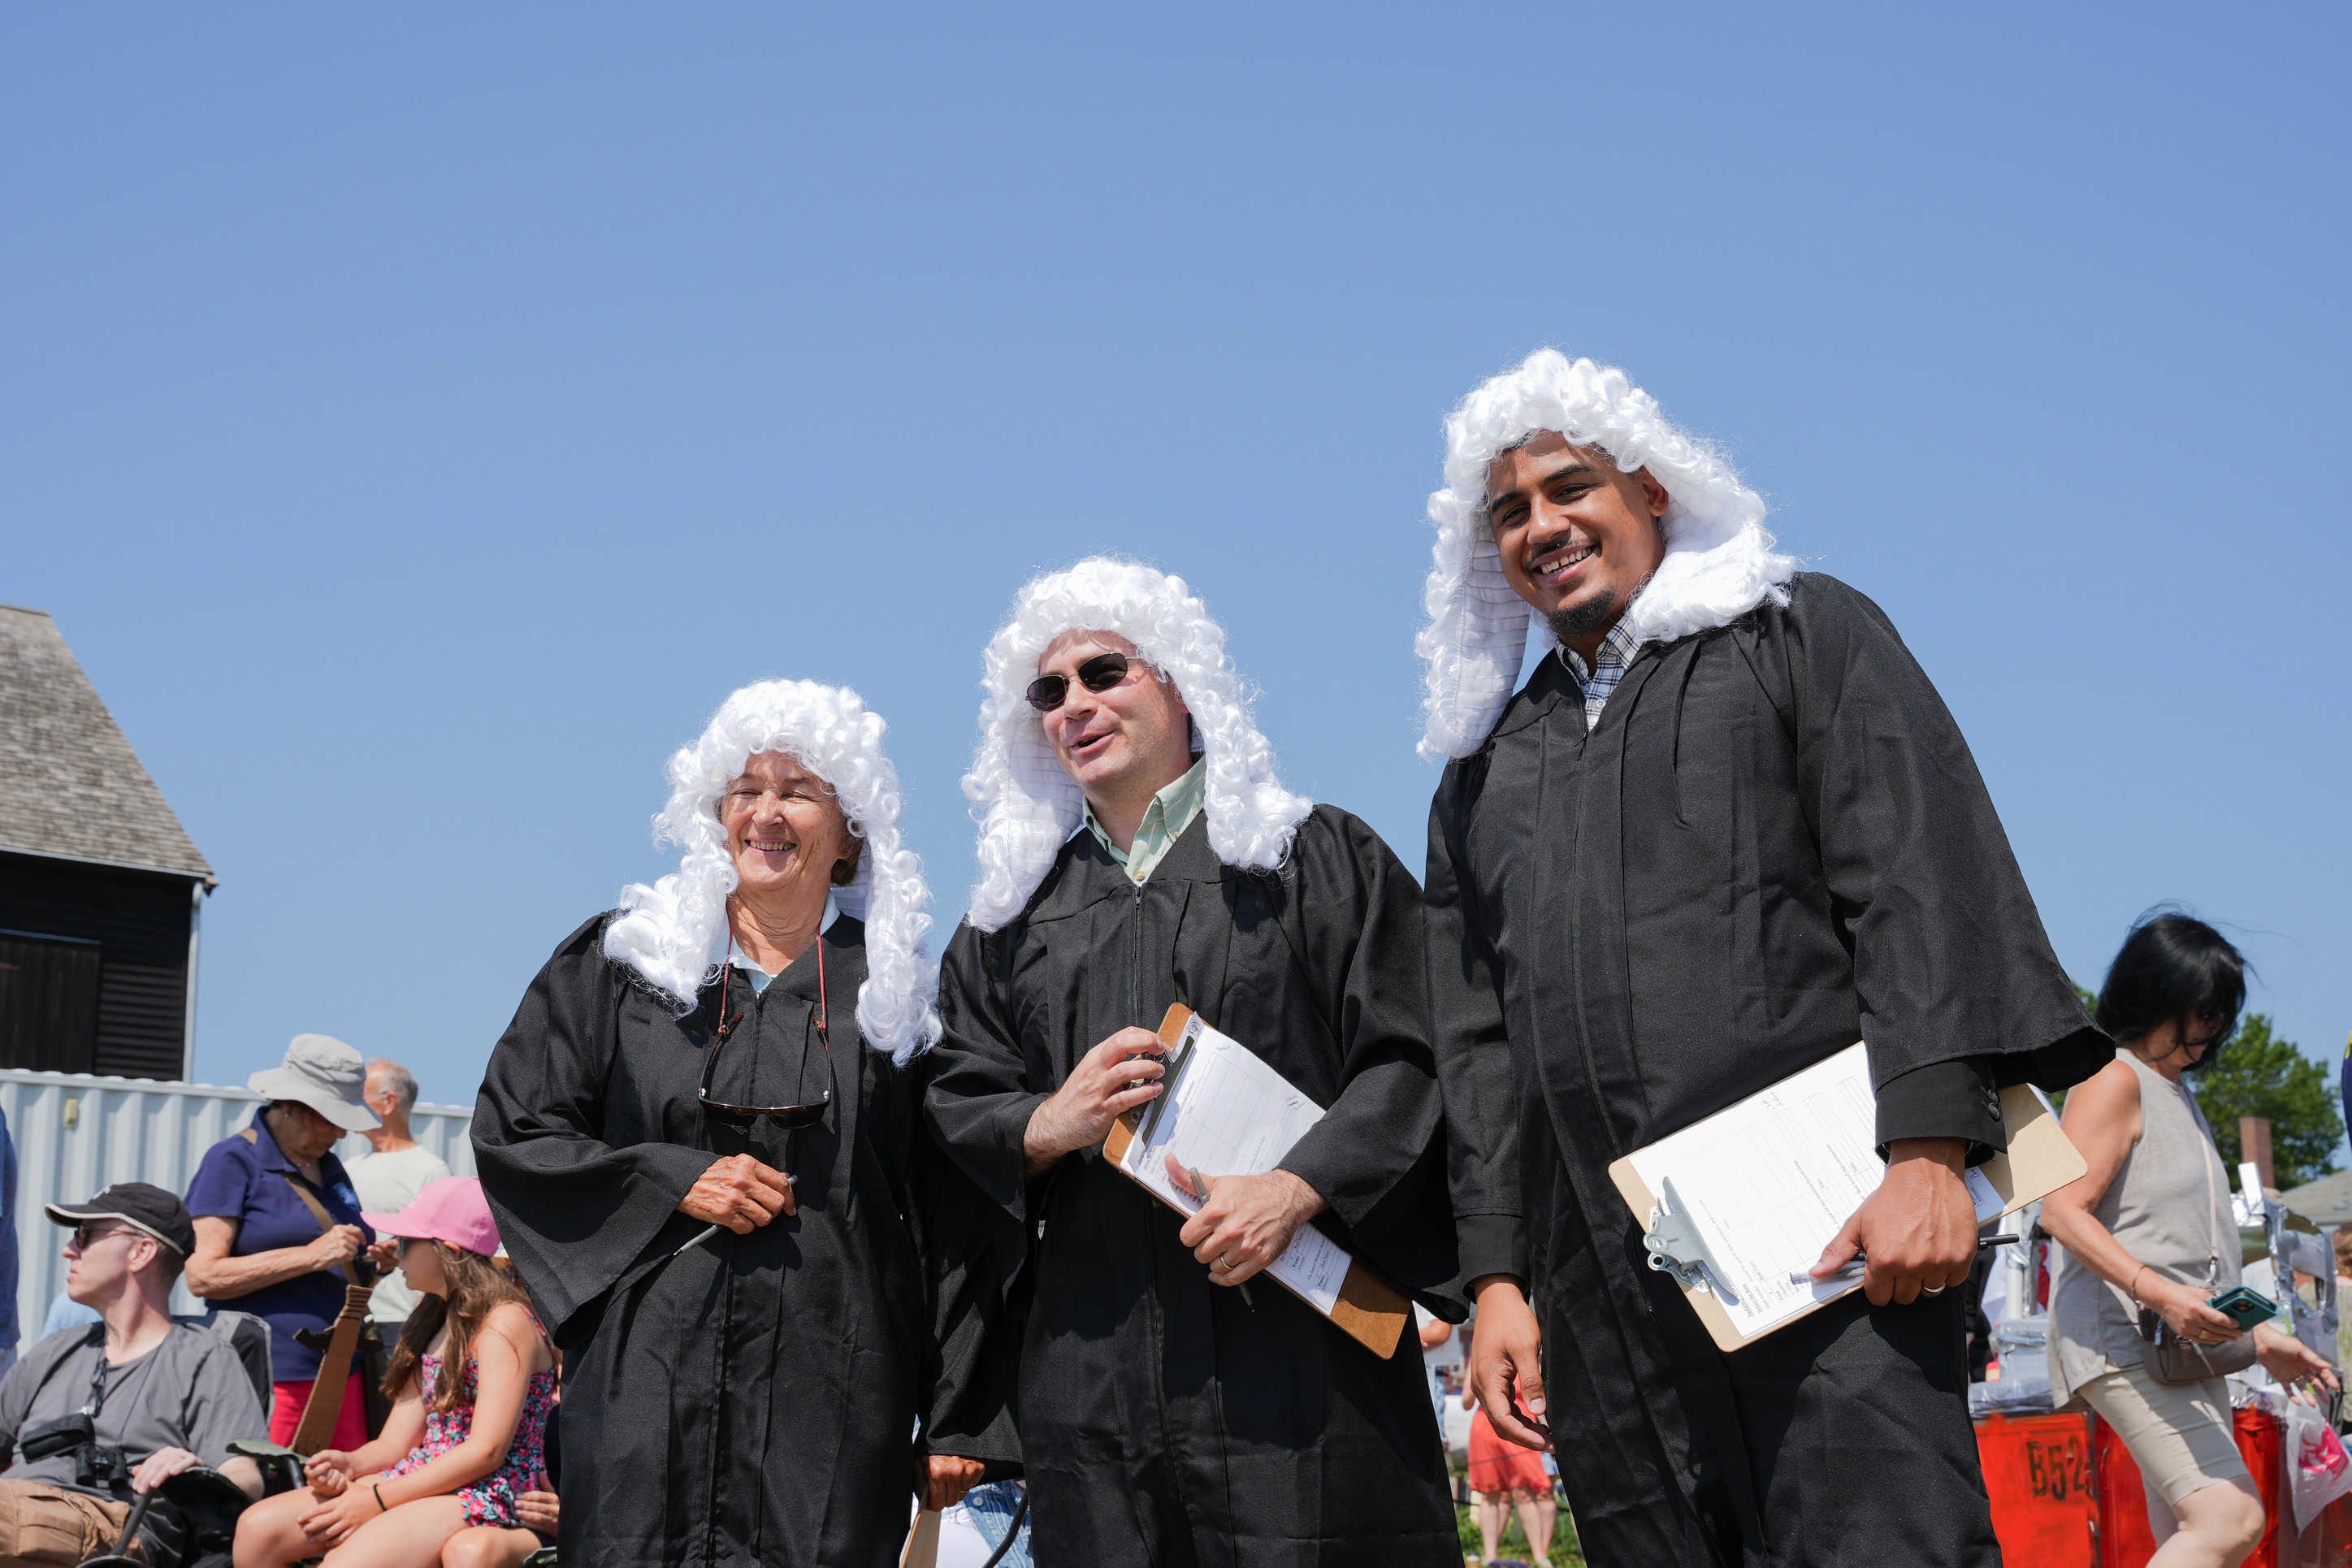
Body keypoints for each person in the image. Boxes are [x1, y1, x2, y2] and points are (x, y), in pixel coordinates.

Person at [1417, 351, 2114, 1567]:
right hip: (1599, 1290)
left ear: (1650, 490)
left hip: (1834, 1250)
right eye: (1510, 512)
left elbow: (1910, 882)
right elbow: (1474, 1048)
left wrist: (1927, 1149)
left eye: (1567, 487)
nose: (1542, 526)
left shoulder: (1793, 633)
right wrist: (1492, 1279)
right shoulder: (1483, 775)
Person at [926, 558, 1462, 1565]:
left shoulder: (1309, 857)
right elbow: (959, 1097)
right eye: (1050, 691)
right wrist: (1047, 1123)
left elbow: (1414, 1052)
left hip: (1299, 1347)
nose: (1074, 704)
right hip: (1094, 1370)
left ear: (1179, 683)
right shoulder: (1011, 921)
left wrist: (1300, 1185)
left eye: (1104, 672)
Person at [473, 679, 1013, 1568]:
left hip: (833, 1388)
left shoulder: (900, 1001)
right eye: (745, 789)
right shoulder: (630, 966)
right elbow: (518, 1127)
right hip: (649, 1377)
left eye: (798, 791)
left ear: (849, 833)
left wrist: (957, 1409)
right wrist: (669, 1178)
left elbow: (955, 1210)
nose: (766, 813)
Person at [2043, 916, 2337, 1568]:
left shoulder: (2175, 1091)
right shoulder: (2114, 1076)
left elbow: (2175, 1245)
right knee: (2229, 1519)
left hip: (2181, 1347)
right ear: (2158, 994)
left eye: (2220, 1013)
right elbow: (2060, 1211)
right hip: (2124, 1338)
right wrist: (2161, 1296)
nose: (2212, 1029)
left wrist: (2256, 1338)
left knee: (2196, 1535)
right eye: (2203, 1010)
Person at [232, 1177, 555, 1568]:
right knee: (257, 1529)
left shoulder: (505, 1322)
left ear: (447, 1251)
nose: (396, 1256)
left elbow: (486, 1453)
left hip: (487, 1490)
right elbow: (394, 1445)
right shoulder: (435, 1317)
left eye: (405, 1243)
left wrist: (377, 1499)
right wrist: (349, 1465)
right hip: (421, 1475)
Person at [0, 1184, 266, 1568]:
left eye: (85, 1236)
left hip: (114, 1529)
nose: (68, 1249)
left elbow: (246, 1479)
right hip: (16, 1509)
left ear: (141, 1252)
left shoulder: (205, 1356)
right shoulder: (57, 1348)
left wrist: (197, 1472)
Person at [187, 1035, 381, 1451]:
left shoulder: (328, 1165)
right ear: (289, 1105)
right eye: (329, 1117)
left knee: (339, 1500)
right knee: (266, 1496)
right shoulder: (232, 1161)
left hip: (343, 1367)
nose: (341, 1132)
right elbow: (202, 1276)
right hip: (270, 1374)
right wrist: (310, 1256)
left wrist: (375, 1263)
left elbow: (339, 1256)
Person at [350, 1059, 452, 1332]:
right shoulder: (347, 1169)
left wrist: (422, 1329)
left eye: (358, 1096)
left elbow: (442, 1256)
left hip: (400, 1323)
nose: (348, 1105)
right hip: (349, 1317)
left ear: (388, 1102)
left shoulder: (431, 1170)